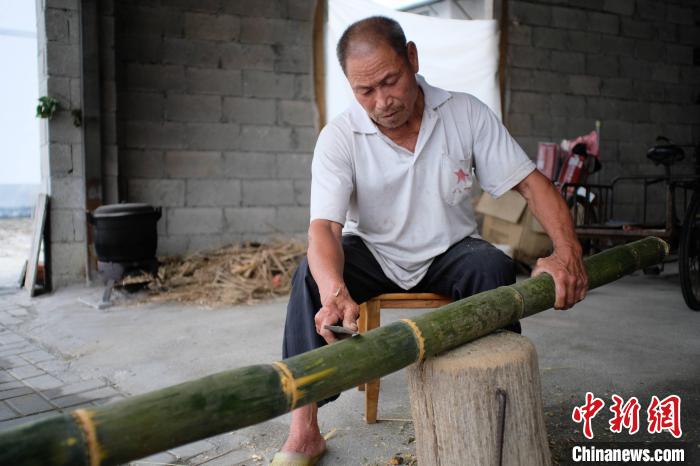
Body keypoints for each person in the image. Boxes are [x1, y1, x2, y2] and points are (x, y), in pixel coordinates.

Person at [270, 16, 588, 466]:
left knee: (493, 267)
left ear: (412, 59)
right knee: (310, 275)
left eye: (390, 81)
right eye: (366, 91)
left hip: (450, 251)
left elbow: (531, 184)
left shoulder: (465, 113)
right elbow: (324, 228)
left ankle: (493, 404)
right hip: (374, 252)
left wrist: (567, 252)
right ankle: (304, 430)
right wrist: (333, 290)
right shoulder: (339, 137)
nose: (382, 101)